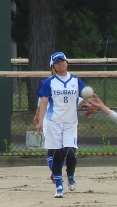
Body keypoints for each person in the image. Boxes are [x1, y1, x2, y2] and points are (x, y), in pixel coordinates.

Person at [34, 52, 88, 197]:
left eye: (62, 61)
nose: (60, 64)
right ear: (53, 66)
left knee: (70, 153)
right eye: (57, 62)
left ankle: (70, 175)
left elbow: (85, 97)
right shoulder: (49, 82)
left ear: (67, 63)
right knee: (57, 154)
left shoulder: (75, 80)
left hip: (70, 122)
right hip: (54, 122)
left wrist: (91, 104)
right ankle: (59, 186)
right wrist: (40, 121)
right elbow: (43, 103)